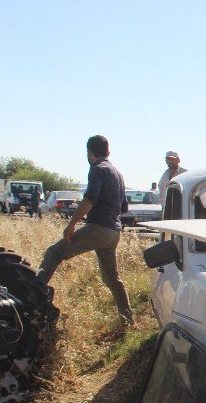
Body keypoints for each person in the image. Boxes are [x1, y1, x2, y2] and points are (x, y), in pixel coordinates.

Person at [38, 135, 134, 328]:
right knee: (112, 279)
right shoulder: (117, 173)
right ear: (108, 151)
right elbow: (124, 209)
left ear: (90, 153)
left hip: (99, 229)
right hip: (114, 232)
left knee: (54, 253)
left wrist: (72, 224)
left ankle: (32, 297)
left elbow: (90, 199)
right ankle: (128, 321)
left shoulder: (97, 169)